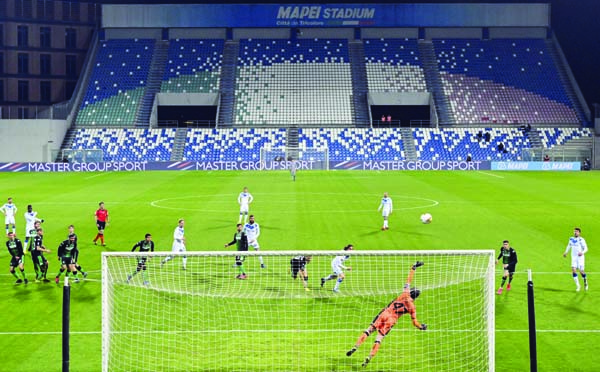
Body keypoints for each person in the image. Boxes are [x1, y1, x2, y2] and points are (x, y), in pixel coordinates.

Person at [346, 261, 426, 367]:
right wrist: (421, 327)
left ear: (411, 291)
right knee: (379, 338)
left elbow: (408, 280)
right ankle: (369, 357)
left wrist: (413, 268)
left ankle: (356, 346)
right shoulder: (412, 307)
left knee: (369, 330)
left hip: (385, 313)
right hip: (391, 320)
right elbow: (415, 322)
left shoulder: (404, 293)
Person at [563, 227, 588, 291]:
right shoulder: (571, 239)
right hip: (574, 257)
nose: (575, 232)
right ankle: (578, 286)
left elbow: (586, 249)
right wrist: (566, 252)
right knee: (573, 270)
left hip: (580, 258)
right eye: (574, 231)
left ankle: (585, 280)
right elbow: (569, 245)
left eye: (576, 231)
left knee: (581, 271)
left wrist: (582, 252)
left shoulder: (581, 240)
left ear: (579, 233)